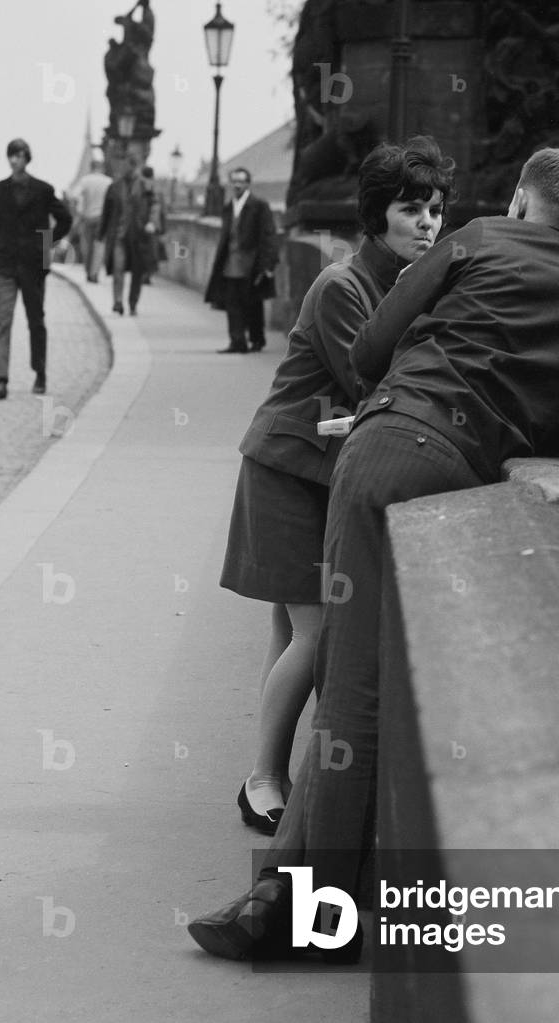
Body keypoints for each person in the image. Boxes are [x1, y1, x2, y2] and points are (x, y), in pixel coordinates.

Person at [188, 145, 559, 961]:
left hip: (387, 455)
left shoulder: (481, 239)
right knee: (398, 688)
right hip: (473, 488)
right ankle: (284, 899)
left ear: (525, 202)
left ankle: (307, 922)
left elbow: (370, 348)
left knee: (351, 693)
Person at [220, 137, 454, 837]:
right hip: (290, 472)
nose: (426, 224)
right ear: (377, 215)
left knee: (295, 628)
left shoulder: (405, 284)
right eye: (410, 210)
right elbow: (380, 386)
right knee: (317, 633)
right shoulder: (342, 287)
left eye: (435, 210)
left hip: (326, 474)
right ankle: (261, 778)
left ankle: (272, 772)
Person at [0, 138, 72, 399]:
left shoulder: (43, 191)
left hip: (35, 263)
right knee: (4, 322)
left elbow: (65, 219)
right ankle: (2, 379)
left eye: (18, 155)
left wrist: (47, 244)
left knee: (36, 320)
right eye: (10, 156)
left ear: (27, 158)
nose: (14, 160)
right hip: (4, 263)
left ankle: (40, 372)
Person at [205, 168, 278, 353]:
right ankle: (237, 341)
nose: (237, 185)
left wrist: (268, 264)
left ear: (247, 184)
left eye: (241, 181)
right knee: (232, 303)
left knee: (252, 303)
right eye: (234, 181)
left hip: (252, 263)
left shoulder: (259, 205)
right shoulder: (228, 207)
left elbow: (268, 235)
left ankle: (257, 339)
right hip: (230, 263)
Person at [99, 153, 154, 316]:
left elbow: (155, 205)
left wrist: (152, 222)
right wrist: (101, 233)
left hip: (138, 235)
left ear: (134, 166)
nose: (122, 169)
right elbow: (106, 211)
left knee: (137, 273)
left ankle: (133, 303)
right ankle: (117, 301)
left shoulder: (146, 186)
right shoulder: (114, 186)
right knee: (118, 268)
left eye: (125, 166)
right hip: (119, 235)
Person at [72, 154, 111, 283]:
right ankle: (94, 273)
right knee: (99, 246)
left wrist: (79, 210)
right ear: (102, 168)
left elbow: (74, 195)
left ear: (91, 167)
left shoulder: (85, 180)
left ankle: (88, 271)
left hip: (87, 217)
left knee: (87, 247)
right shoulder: (108, 182)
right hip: (102, 218)